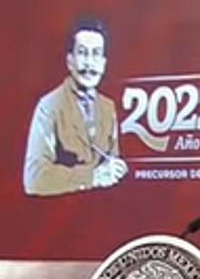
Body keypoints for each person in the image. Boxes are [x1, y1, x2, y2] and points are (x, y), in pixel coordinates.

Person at [23, 17, 127, 196]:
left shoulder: (108, 107)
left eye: (96, 54)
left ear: (104, 63)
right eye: (82, 53)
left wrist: (117, 169)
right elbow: (34, 178)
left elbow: (110, 162)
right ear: (70, 61)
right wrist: (92, 177)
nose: (89, 63)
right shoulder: (49, 106)